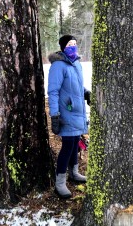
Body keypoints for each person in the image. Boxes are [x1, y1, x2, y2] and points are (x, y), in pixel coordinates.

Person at [47, 34, 91, 198]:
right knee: (67, 146)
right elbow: (53, 92)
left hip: (77, 112)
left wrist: (86, 93)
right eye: (69, 44)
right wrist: (54, 115)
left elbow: (77, 85)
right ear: (63, 47)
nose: (73, 46)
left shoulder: (76, 63)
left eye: (75, 43)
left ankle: (73, 172)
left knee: (74, 144)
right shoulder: (58, 65)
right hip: (65, 113)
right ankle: (60, 183)